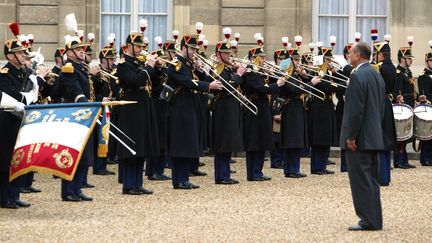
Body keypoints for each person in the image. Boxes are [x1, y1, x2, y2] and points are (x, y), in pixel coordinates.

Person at [167, 34, 222, 189]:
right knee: (181, 143)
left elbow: (201, 79)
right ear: (184, 47)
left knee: (188, 142)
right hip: (180, 106)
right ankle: (179, 179)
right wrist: (208, 87)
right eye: (192, 48)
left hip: (189, 105)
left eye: (195, 49)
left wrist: (199, 71)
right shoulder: (177, 63)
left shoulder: (188, 64)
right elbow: (186, 82)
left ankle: (183, 177)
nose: (194, 52)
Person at [340, 42, 385, 231]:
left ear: (358, 55)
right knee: (372, 180)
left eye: (351, 53)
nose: (349, 56)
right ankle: (375, 219)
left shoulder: (358, 75)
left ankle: (367, 220)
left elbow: (355, 110)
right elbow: (379, 108)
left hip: (360, 139)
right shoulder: (376, 74)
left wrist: (351, 135)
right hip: (373, 135)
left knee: (361, 181)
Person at [116, 32, 159, 195]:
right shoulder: (123, 64)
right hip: (131, 108)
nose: (142, 49)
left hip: (143, 105)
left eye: (142, 46)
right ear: (129, 47)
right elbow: (134, 81)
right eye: (139, 46)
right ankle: (128, 185)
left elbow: (152, 81)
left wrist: (157, 68)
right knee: (131, 146)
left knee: (141, 145)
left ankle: (138, 183)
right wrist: (149, 67)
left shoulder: (139, 62)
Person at [0, 38, 38, 208]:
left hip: (21, 120)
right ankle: (5, 197)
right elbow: (14, 96)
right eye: (20, 53)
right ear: (10, 56)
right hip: (7, 121)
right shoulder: (4, 73)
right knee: (6, 159)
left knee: (19, 158)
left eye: (24, 53)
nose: (24, 55)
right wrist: (29, 94)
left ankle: (15, 194)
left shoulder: (23, 72)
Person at [58, 36, 96, 202]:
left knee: (84, 152)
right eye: (79, 49)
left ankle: (77, 188)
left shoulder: (81, 67)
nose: (83, 51)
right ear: (69, 52)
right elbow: (73, 88)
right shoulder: (69, 68)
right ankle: (68, 190)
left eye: (83, 49)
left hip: (84, 112)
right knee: (72, 151)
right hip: (73, 112)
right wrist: (82, 100)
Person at [241, 46, 285, 181]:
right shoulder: (250, 71)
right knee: (254, 140)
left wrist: (276, 74)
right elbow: (260, 88)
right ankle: (253, 173)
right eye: (262, 57)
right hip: (254, 107)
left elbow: (269, 84)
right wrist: (277, 85)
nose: (265, 60)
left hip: (263, 107)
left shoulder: (260, 71)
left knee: (262, 139)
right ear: (254, 58)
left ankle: (258, 171)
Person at [210, 40, 245, 184]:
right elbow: (227, 87)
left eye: (229, 53)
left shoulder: (228, 67)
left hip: (231, 106)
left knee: (229, 141)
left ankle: (225, 174)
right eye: (225, 53)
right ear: (218, 54)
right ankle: (222, 176)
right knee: (223, 142)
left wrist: (237, 70)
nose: (229, 55)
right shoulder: (218, 68)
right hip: (223, 108)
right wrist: (239, 74)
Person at [372, 41, 397, 186]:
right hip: (387, 103)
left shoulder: (379, 68)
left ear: (380, 54)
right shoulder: (391, 67)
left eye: (376, 55)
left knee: (379, 140)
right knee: (386, 141)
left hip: (378, 104)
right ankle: (385, 176)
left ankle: (380, 176)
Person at [393, 47, 416, 169]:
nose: (410, 60)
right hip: (402, 104)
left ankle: (404, 159)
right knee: (401, 134)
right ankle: (399, 161)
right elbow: (396, 90)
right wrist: (398, 97)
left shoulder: (408, 72)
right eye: (408, 58)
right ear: (402, 59)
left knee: (407, 133)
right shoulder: (398, 73)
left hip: (409, 103)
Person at [335, 44, 353, 172]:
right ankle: (345, 165)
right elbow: (338, 89)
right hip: (345, 105)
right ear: (347, 55)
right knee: (346, 134)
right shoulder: (344, 70)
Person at [417, 49, 432, 166]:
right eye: (431, 61)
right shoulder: (424, 76)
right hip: (428, 106)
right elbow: (425, 93)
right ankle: (425, 158)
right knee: (427, 135)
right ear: (427, 62)